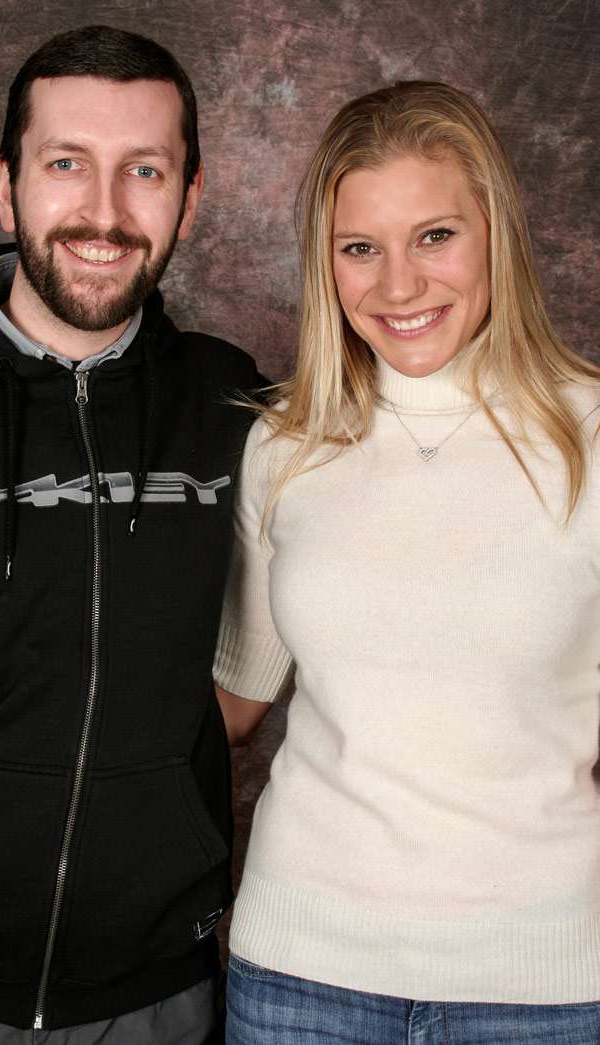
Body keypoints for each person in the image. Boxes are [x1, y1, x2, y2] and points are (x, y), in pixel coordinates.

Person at [0, 24, 262, 1045]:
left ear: (191, 196)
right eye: (65, 164)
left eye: (144, 171)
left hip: (157, 991)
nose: (103, 211)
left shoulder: (235, 405)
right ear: (5, 186)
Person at [214, 81, 600, 1044]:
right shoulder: (283, 442)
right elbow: (233, 699)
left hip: (545, 983)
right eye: (360, 248)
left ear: (496, 233)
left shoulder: (589, 434)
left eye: (435, 236)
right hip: (300, 976)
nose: (398, 286)